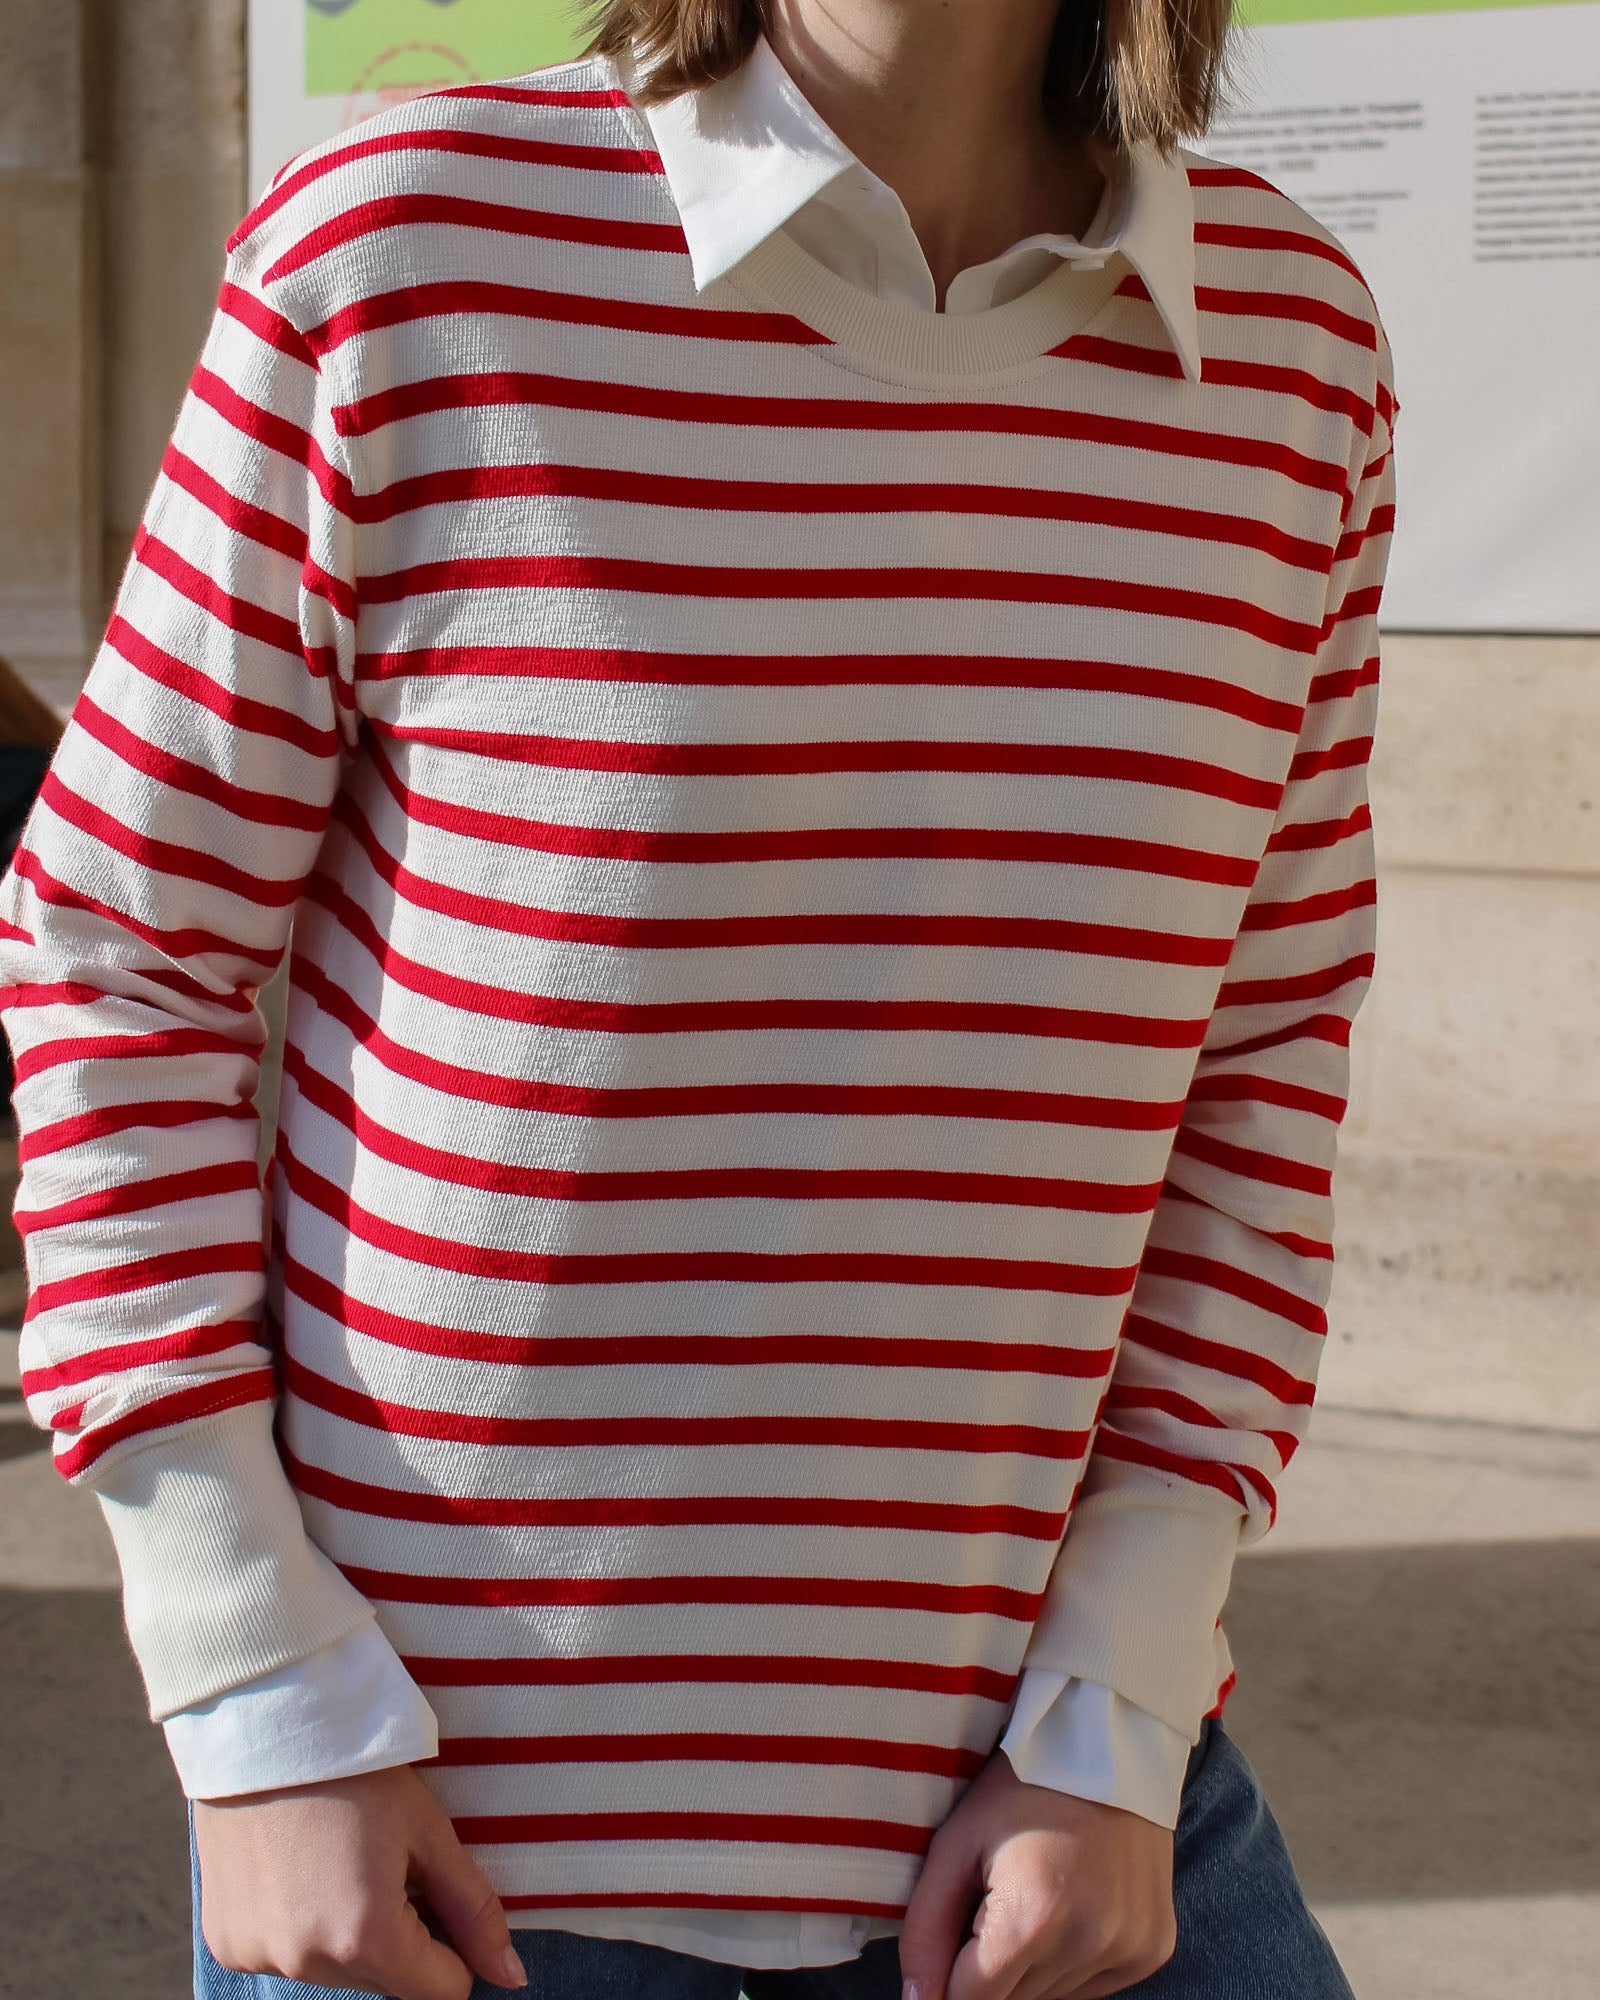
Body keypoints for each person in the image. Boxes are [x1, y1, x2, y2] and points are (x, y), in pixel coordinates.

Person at [0, 1, 1396, 1996]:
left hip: (1051, 1795)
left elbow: (1264, 1049)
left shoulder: (1290, 347)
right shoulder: (406, 245)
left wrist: (1121, 1705)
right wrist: (249, 1684)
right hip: (437, 1832)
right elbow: (115, 947)